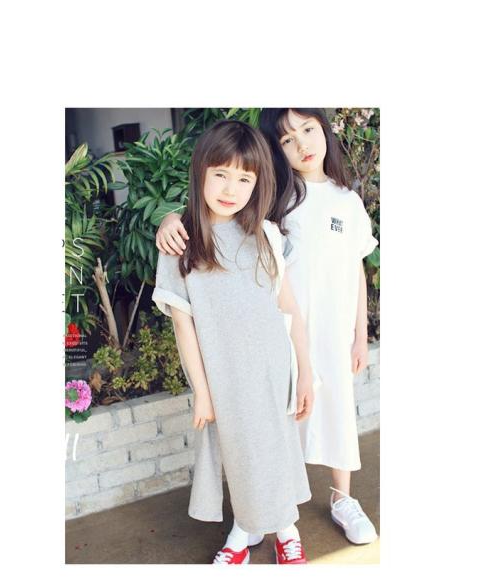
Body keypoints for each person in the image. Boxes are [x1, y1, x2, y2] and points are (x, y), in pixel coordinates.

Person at [156, 108, 379, 545]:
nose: (302, 144)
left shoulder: (346, 201)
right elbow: (219, 203)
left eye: (308, 130)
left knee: (335, 411)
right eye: (287, 139)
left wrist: (360, 333)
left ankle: (341, 498)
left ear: (324, 130)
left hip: (326, 330)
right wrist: (170, 218)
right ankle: (260, 513)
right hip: (278, 332)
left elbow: (356, 266)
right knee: (271, 431)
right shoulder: (277, 198)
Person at [152, 120, 314, 564]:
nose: (231, 189)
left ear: (257, 183)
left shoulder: (266, 234)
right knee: (242, 458)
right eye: (221, 174)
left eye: (244, 179)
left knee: (276, 450)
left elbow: (289, 308)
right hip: (226, 378)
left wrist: (305, 373)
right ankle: (248, 529)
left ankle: (282, 530)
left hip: (274, 369)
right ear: (201, 172)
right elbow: (183, 326)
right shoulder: (181, 244)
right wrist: (203, 393)